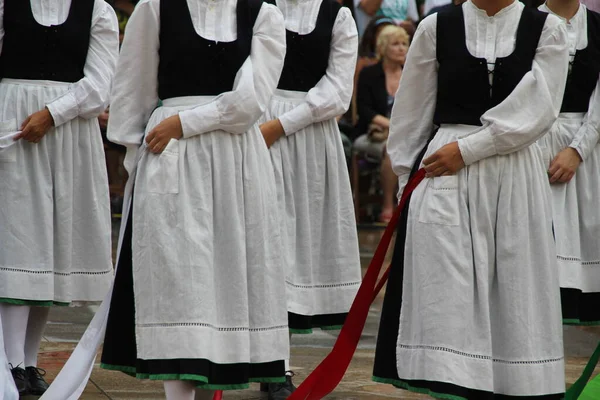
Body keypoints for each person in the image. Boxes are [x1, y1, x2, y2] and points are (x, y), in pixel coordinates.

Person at [372, 0, 569, 398]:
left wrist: (469, 150)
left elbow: (539, 108)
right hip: (443, 176)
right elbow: (412, 115)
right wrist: (409, 188)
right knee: (447, 296)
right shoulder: (435, 27)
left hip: (513, 172)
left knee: (515, 289)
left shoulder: (547, 29)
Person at [97, 0, 289, 399]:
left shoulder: (262, 14)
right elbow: (132, 90)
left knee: (225, 279)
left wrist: (183, 123)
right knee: (179, 279)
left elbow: (249, 103)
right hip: (170, 158)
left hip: (237, 161)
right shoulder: (156, 8)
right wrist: (139, 164)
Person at [0, 0, 118, 396]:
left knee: (50, 246)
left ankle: (29, 362)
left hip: (69, 137)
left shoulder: (97, 10)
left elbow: (101, 84)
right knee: (18, 242)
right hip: (11, 128)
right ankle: (11, 361)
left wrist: (52, 113)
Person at [258, 0, 361, 398]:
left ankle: (277, 365)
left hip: (308, 137)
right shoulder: (261, 8)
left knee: (293, 247)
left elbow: (337, 93)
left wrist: (281, 124)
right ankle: (273, 365)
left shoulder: (337, 15)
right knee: (267, 245)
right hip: (256, 123)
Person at [538, 0, 600, 325]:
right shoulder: (528, 25)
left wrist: (577, 150)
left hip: (591, 149)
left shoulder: (597, 26)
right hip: (535, 147)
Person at [354, 25, 409, 222]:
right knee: (391, 147)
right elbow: (365, 110)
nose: (402, 48)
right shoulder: (369, 73)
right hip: (373, 133)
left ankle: (409, 206)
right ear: (383, 48)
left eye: (404, 44)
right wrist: (392, 125)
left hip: (406, 132)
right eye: (395, 44)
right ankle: (388, 205)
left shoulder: (411, 74)